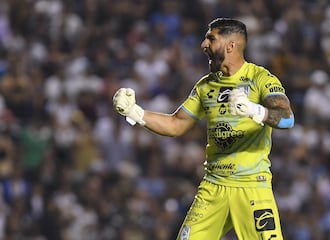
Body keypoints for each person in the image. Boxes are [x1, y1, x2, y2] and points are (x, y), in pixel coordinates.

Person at [113, 18, 294, 240]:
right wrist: (134, 112)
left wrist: (255, 111)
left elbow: (287, 119)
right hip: (213, 187)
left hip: (252, 187)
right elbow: (175, 124)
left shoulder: (260, 78)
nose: (203, 45)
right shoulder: (205, 86)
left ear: (230, 46)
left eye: (211, 39)